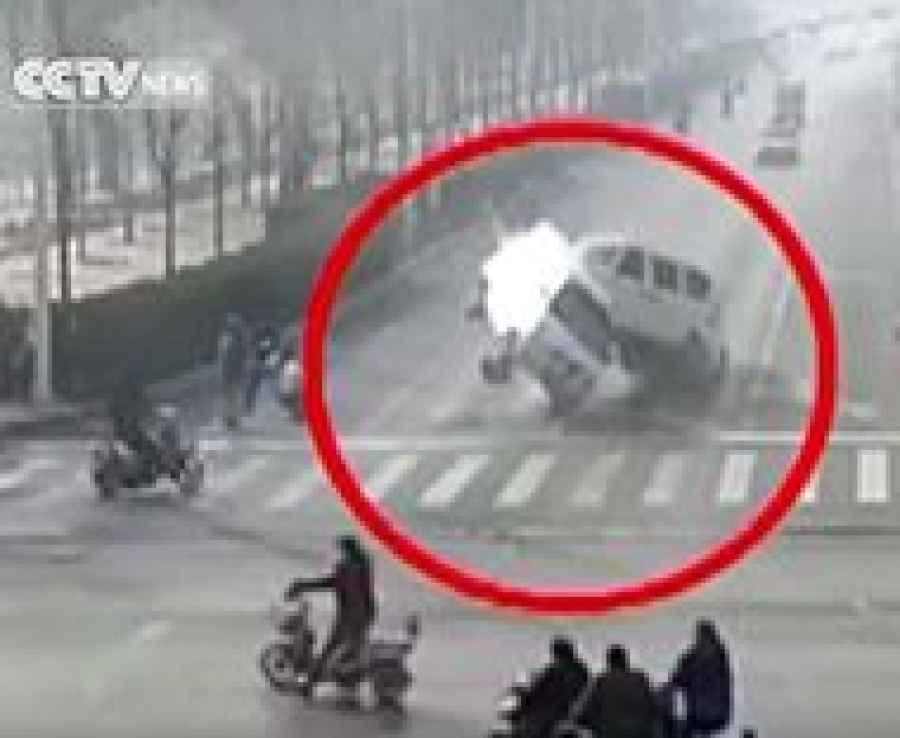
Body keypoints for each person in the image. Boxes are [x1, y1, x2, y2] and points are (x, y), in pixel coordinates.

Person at [284, 534, 377, 699]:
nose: (339, 552)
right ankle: (349, 681)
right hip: (366, 611)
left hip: (350, 614)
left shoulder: (346, 566)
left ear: (345, 550)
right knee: (353, 647)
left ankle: (309, 685)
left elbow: (331, 583)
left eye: (340, 549)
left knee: (330, 648)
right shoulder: (364, 563)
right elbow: (345, 585)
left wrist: (303, 585)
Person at [573, 644, 659, 738]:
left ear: (608, 662)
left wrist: (598, 726)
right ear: (626, 660)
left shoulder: (601, 681)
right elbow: (655, 707)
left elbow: (581, 714)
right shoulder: (640, 679)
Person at [510, 636, 590, 738]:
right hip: (570, 712)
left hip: (550, 714)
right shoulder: (582, 670)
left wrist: (521, 692)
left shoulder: (554, 670)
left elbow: (537, 690)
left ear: (556, 654)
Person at [666, 620, 733, 738]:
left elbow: (677, 680)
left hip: (698, 715)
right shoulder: (721, 657)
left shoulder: (692, 658)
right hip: (721, 715)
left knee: (680, 728)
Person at [218, 313, 247, 429]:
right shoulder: (232, 340)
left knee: (230, 396)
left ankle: (230, 419)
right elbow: (231, 358)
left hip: (228, 372)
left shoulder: (226, 339)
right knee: (232, 396)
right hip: (231, 372)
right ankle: (230, 419)